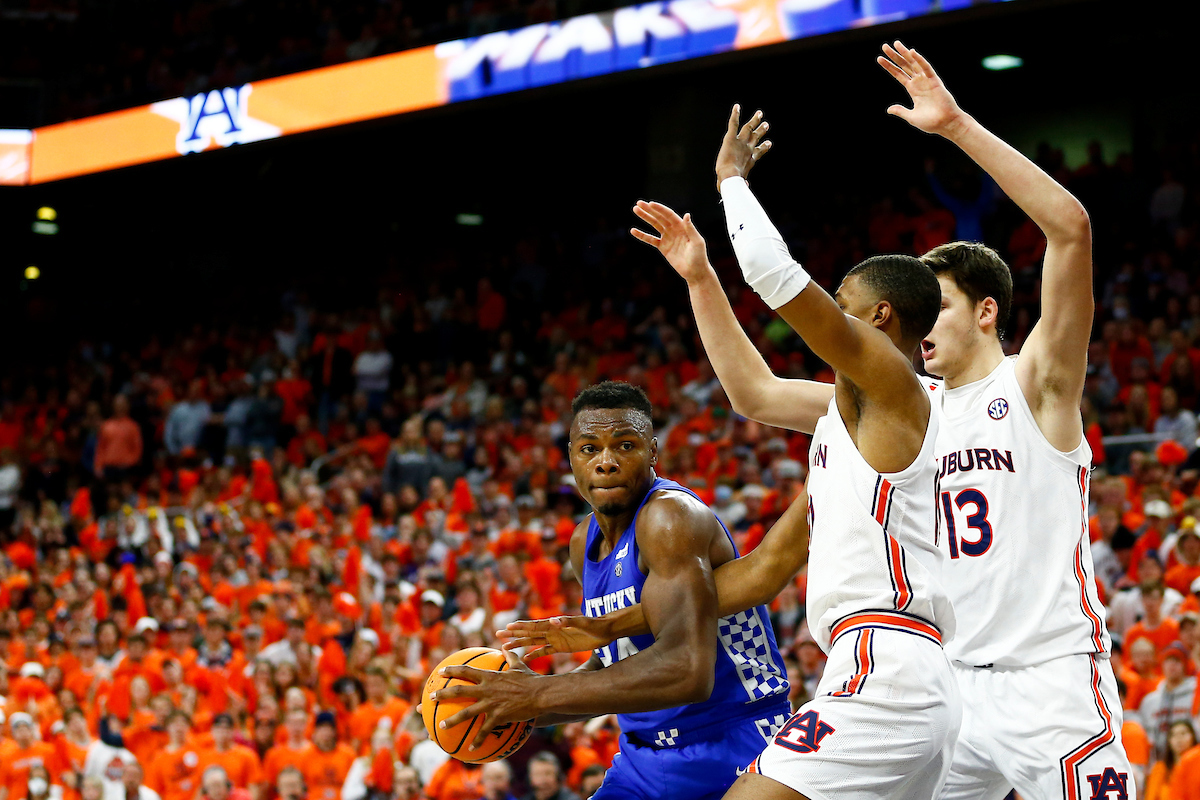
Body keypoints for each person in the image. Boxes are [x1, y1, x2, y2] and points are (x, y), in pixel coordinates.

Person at [511, 40, 1133, 800]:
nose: (922, 322)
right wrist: (702, 278)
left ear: (988, 310)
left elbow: (1070, 227)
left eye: (938, 304)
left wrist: (956, 126)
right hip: (952, 680)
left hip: (1043, 675)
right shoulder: (901, 407)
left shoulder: (1032, 387)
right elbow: (757, 395)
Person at [430, 381, 792, 800]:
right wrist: (507, 705)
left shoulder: (670, 518)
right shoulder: (582, 541)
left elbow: (687, 670)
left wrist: (538, 693)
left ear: (653, 452)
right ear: (571, 458)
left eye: (624, 446)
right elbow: (613, 672)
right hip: (642, 758)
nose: (606, 463)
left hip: (736, 740)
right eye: (589, 449)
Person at [1145, 720, 1197, 800]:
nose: (1179, 738)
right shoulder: (1160, 768)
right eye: (1174, 735)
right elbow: (1150, 797)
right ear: (1169, 740)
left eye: (1183, 733)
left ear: (1193, 736)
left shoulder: (1196, 767)